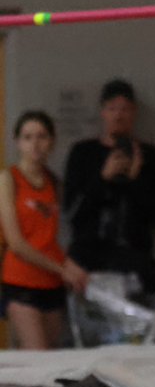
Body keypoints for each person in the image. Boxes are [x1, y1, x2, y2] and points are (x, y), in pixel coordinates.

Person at [63, 79, 155, 295]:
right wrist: (103, 177)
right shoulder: (83, 153)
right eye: (112, 108)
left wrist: (135, 179)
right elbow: (72, 211)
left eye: (124, 109)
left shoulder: (151, 157)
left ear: (134, 113)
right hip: (88, 258)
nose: (118, 115)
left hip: (134, 259)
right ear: (102, 112)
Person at [0, 111, 89, 349]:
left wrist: (69, 266)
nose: (35, 144)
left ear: (51, 141)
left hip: (51, 281)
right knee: (37, 354)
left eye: (41, 137)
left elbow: (53, 236)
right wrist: (61, 269)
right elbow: (16, 243)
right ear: (18, 142)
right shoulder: (9, 179)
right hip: (21, 279)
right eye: (28, 137)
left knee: (50, 357)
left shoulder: (54, 183)